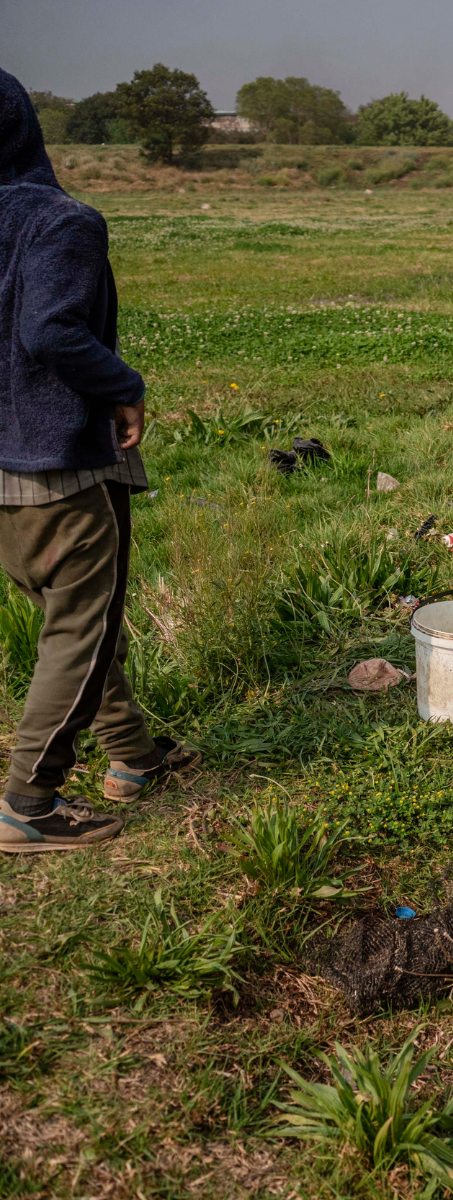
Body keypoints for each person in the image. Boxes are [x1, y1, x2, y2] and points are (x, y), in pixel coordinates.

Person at [0, 71, 197, 854]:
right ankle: (28, 803)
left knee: (79, 619)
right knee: (78, 632)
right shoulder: (59, 220)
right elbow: (51, 332)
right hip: (60, 464)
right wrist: (126, 384)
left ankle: (134, 759)